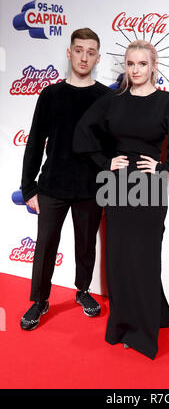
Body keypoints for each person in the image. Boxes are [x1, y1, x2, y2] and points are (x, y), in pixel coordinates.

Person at [73, 40, 169, 359]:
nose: (136, 69)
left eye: (142, 64)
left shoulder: (165, 102)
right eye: (131, 64)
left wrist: (166, 166)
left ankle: (143, 333)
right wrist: (105, 162)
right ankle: (124, 324)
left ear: (153, 66)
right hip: (115, 184)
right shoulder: (113, 101)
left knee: (143, 259)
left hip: (149, 185)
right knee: (117, 259)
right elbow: (83, 132)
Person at [20, 28, 111, 330]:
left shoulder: (105, 97)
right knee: (45, 244)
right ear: (69, 53)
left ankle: (83, 291)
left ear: (97, 57)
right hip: (52, 186)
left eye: (91, 51)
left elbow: (114, 145)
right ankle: (39, 300)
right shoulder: (51, 94)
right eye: (79, 50)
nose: (84, 56)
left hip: (90, 187)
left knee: (86, 245)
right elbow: (34, 141)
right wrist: (28, 186)